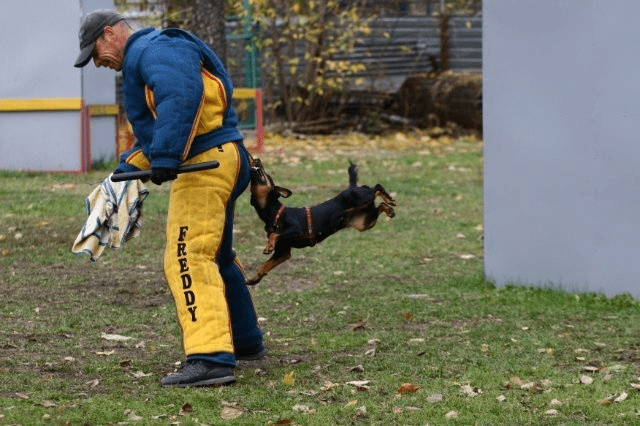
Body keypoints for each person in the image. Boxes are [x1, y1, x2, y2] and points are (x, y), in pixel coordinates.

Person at [74, 9, 267, 387]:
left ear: (110, 33)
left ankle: (210, 358)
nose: (97, 63)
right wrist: (124, 172)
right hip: (222, 156)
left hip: (208, 164)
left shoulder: (153, 48)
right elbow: (172, 121)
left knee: (187, 254)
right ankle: (244, 340)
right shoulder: (153, 51)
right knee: (217, 255)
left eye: (94, 52)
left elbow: (181, 95)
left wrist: (165, 156)